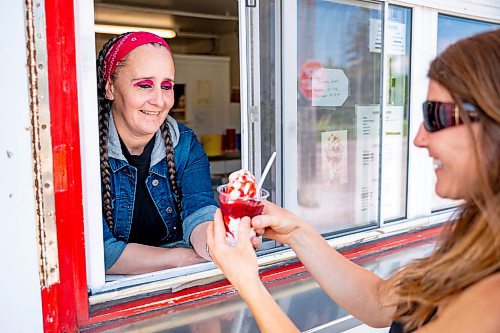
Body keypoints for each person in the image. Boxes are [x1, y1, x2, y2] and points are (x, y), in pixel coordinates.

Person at [207, 29, 500, 333]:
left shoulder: (491, 299)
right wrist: (297, 232)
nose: (419, 139)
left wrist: (248, 283)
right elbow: (378, 301)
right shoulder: (475, 245)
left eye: (435, 116)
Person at [96, 31, 217, 274]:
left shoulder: (185, 144)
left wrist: (219, 244)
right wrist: (182, 259)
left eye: (166, 86)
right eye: (144, 85)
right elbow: (100, 251)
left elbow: (200, 210)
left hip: (177, 286)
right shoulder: (82, 151)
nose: (159, 100)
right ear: (110, 88)